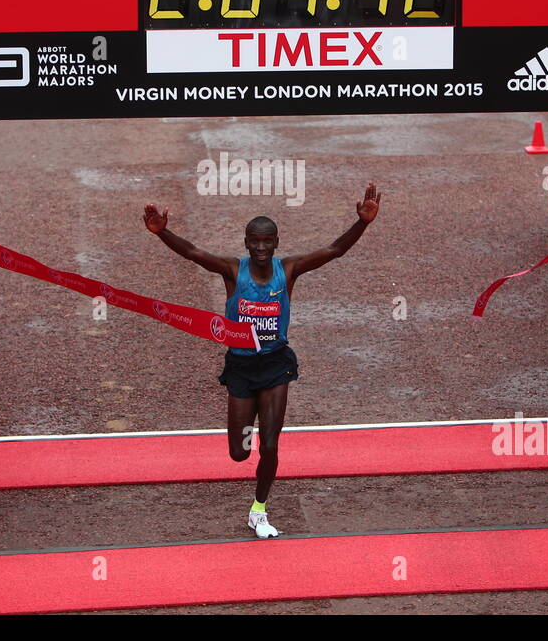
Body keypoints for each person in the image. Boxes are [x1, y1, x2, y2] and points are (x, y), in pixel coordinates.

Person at [143, 183, 381, 539]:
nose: (260, 248)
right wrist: (163, 233)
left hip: (275, 365)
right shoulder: (231, 270)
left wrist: (361, 223)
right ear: (246, 242)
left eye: (267, 241)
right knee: (240, 454)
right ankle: (247, 439)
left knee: (270, 444)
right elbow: (192, 252)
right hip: (240, 369)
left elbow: (334, 250)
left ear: (276, 242)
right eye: (254, 241)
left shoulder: (289, 270)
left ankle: (259, 509)